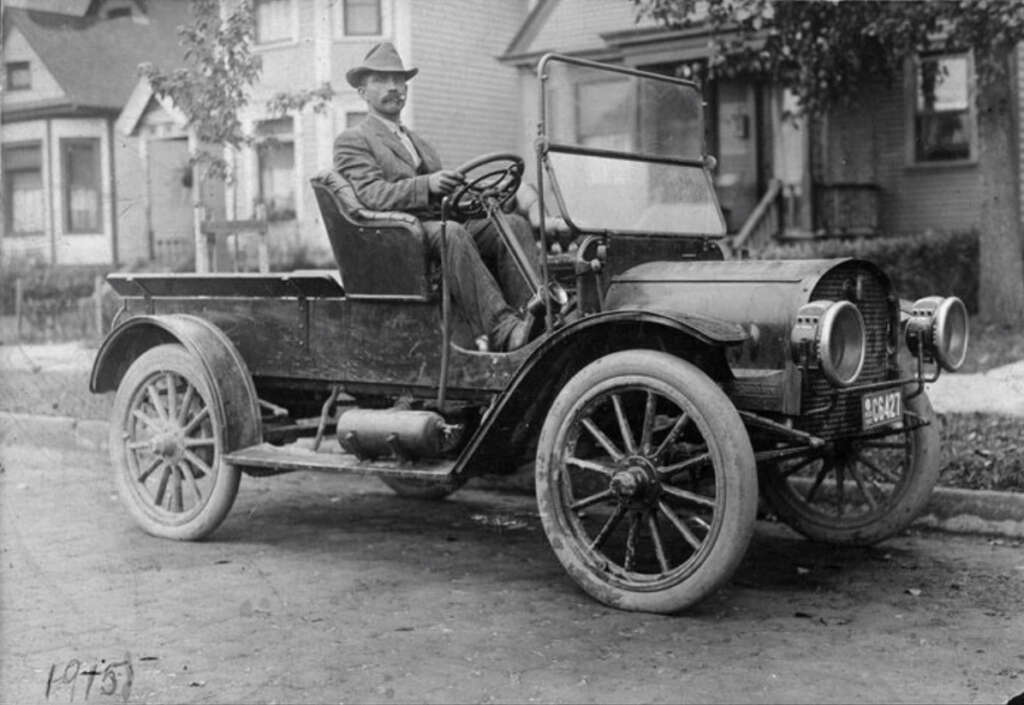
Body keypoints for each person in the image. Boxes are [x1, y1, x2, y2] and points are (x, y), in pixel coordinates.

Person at [333, 42, 541, 352]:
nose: (394, 87)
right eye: (381, 80)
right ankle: (502, 329)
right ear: (363, 92)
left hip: (436, 229)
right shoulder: (354, 140)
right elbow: (371, 196)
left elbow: (451, 193)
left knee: (510, 225)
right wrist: (427, 185)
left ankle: (537, 318)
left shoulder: (421, 144)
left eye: (399, 80)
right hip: (397, 239)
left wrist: (506, 195)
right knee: (452, 233)